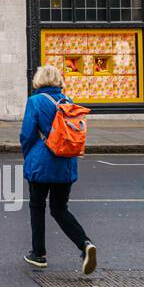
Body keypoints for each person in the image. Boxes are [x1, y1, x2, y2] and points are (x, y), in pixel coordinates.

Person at [20, 65, 96, 274]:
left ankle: (39, 254)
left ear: (38, 80)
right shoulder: (67, 102)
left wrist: (29, 156)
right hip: (65, 164)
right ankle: (85, 244)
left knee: (37, 207)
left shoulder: (35, 101)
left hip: (41, 164)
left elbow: (27, 134)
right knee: (60, 208)